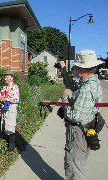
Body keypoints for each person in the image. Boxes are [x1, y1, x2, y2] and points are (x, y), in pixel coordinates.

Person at [60, 50, 104, 179]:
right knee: (78, 163)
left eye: (76, 66)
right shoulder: (91, 82)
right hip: (86, 128)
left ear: (82, 68)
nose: (75, 69)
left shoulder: (86, 88)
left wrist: (64, 100)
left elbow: (75, 116)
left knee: (74, 165)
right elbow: (75, 87)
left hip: (78, 131)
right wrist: (64, 73)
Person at [0, 70, 20, 152]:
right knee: (6, 124)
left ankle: (11, 146)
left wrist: (5, 99)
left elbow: (16, 99)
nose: (5, 78)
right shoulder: (4, 88)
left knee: (11, 125)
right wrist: (0, 98)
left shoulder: (15, 87)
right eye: (5, 77)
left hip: (11, 107)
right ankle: (8, 143)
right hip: (4, 108)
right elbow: (0, 96)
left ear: (11, 78)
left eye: (6, 77)